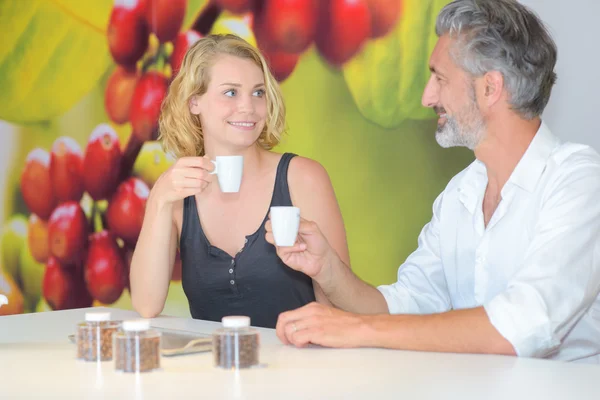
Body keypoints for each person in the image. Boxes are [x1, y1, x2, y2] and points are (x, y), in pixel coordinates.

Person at [266, 0, 600, 363]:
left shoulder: (578, 183)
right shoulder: (460, 193)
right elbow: (402, 306)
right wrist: (327, 269)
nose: (427, 96)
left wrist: (356, 330)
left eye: (440, 78)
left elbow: (523, 326)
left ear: (490, 88)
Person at [129, 34, 350, 328]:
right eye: (231, 93)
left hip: (299, 368)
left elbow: (339, 310)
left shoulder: (303, 178)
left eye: (258, 93)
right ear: (195, 102)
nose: (249, 107)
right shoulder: (178, 194)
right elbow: (146, 305)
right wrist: (158, 199)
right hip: (214, 369)